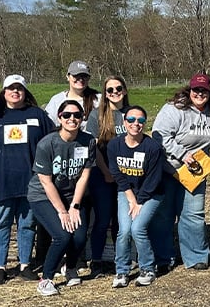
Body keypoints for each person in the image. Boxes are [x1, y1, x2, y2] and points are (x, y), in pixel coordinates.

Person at [152, 73, 210, 271]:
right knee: (164, 216)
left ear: (209, 93)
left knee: (193, 214)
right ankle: (163, 258)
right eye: (196, 90)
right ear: (189, 90)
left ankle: (196, 257)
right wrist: (182, 154)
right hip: (168, 170)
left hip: (194, 173)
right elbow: (159, 136)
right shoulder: (174, 110)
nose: (200, 94)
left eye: (204, 90)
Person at [0, 75, 56, 285]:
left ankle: (25, 264)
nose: (15, 92)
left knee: (27, 225)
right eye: (11, 88)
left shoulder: (38, 116)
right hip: (1, 180)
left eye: (19, 88)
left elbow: (51, 142)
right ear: (4, 91)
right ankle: (0, 266)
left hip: (30, 182)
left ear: (25, 92)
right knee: (1, 224)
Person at [28, 100, 96, 296]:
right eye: (67, 115)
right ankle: (46, 279)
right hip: (43, 195)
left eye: (76, 115)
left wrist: (74, 205)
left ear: (82, 118)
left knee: (80, 234)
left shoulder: (88, 141)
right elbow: (46, 182)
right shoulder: (47, 144)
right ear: (60, 117)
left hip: (71, 195)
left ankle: (71, 267)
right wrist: (62, 211)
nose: (72, 119)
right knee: (62, 235)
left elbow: (84, 175)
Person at [107, 105, 165, 288]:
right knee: (124, 230)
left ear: (144, 124)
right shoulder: (114, 145)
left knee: (137, 228)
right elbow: (116, 173)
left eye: (140, 120)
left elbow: (153, 179)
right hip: (127, 192)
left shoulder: (153, 148)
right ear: (124, 123)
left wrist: (139, 202)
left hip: (151, 194)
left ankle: (147, 268)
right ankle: (122, 271)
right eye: (131, 120)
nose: (136, 124)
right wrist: (131, 198)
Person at [84, 76, 130, 276]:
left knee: (122, 221)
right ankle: (96, 260)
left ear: (125, 90)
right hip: (103, 174)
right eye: (109, 90)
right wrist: (106, 172)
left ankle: (121, 259)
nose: (114, 92)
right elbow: (94, 148)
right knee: (102, 220)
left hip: (127, 175)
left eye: (118, 88)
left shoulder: (131, 113)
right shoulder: (98, 115)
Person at [45, 60, 101, 129]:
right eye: (76, 76)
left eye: (84, 76)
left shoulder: (98, 99)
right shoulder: (56, 100)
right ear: (68, 77)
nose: (81, 79)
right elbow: (48, 126)